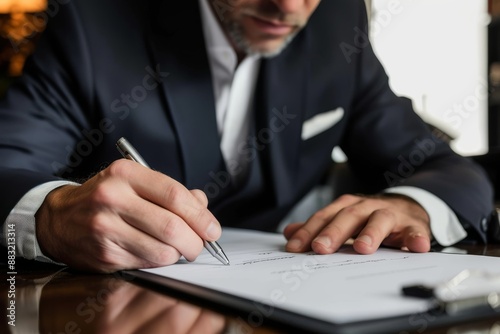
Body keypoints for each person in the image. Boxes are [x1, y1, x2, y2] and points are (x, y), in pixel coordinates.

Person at [0, 0, 495, 273]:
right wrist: (53, 216)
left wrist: (415, 205)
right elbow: (7, 163)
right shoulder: (96, 21)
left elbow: (443, 166)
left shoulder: (335, 25)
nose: (286, 5)